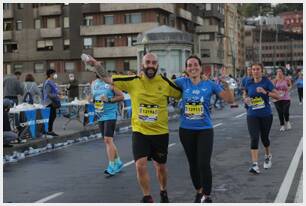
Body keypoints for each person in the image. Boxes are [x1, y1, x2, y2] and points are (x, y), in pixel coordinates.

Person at [87, 53, 181, 203]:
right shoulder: (133, 81)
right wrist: (96, 65)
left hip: (160, 133)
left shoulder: (165, 82)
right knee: (140, 165)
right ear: (142, 65)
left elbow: (181, 94)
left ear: (157, 65)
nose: (150, 65)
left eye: (153, 63)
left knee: (160, 167)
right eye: (147, 62)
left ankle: (163, 190)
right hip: (140, 131)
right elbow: (108, 79)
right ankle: (147, 196)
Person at [174, 55, 234, 203]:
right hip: (186, 130)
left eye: (195, 65)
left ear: (200, 68)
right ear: (186, 69)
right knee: (193, 163)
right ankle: (199, 192)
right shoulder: (182, 82)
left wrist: (227, 85)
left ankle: (207, 196)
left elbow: (230, 100)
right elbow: (162, 86)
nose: (192, 67)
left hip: (204, 130)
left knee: (203, 163)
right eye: (189, 65)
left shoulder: (210, 84)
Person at [243, 63, 280, 174]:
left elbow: (277, 96)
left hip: (265, 115)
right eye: (253, 69)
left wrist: (265, 92)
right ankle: (255, 165)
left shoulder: (266, 82)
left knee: (264, 138)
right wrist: (245, 99)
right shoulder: (248, 82)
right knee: (254, 138)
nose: (255, 71)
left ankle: (268, 155)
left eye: (258, 69)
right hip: (252, 115)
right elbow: (245, 93)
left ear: (262, 71)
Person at [90, 73, 124, 175]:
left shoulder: (110, 82)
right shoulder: (94, 83)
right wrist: (92, 100)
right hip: (100, 114)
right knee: (108, 141)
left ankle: (112, 165)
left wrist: (109, 99)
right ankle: (118, 161)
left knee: (107, 139)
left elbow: (121, 96)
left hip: (110, 114)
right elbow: (93, 96)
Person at [42, 69, 62, 136]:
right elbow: (48, 94)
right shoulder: (48, 82)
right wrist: (57, 96)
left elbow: (54, 90)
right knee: (51, 116)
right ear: (50, 75)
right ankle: (49, 130)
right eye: (54, 74)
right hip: (49, 102)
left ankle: (49, 130)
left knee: (52, 116)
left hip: (52, 101)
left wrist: (59, 92)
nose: (55, 75)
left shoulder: (51, 82)